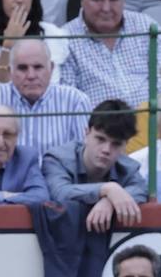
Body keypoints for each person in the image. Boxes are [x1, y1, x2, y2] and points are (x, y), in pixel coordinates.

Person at [60, 0, 161, 108]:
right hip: (98, 127)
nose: (106, 8)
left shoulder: (146, 26)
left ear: (124, 0)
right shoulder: (65, 38)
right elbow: (69, 103)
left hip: (151, 123)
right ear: (82, 0)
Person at [43, 98, 148, 232]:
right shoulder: (57, 158)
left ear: (125, 145)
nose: (106, 150)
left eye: (116, 144)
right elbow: (60, 193)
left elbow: (141, 190)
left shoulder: (128, 167)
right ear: (86, 133)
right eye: (100, 139)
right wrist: (107, 189)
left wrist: (109, 200)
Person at [0, 38, 91, 155]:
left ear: (51, 68)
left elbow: (83, 157)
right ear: (10, 71)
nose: (31, 75)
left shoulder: (76, 101)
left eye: (38, 67)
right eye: (22, 68)